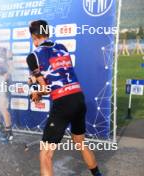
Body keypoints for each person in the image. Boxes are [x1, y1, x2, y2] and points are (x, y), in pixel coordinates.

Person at [26, 20, 102, 176]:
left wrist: (34, 90)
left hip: (64, 102)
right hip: (78, 97)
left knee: (46, 154)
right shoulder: (62, 48)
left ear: (34, 36)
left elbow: (45, 88)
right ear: (46, 32)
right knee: (80, 142)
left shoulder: (33, 56)